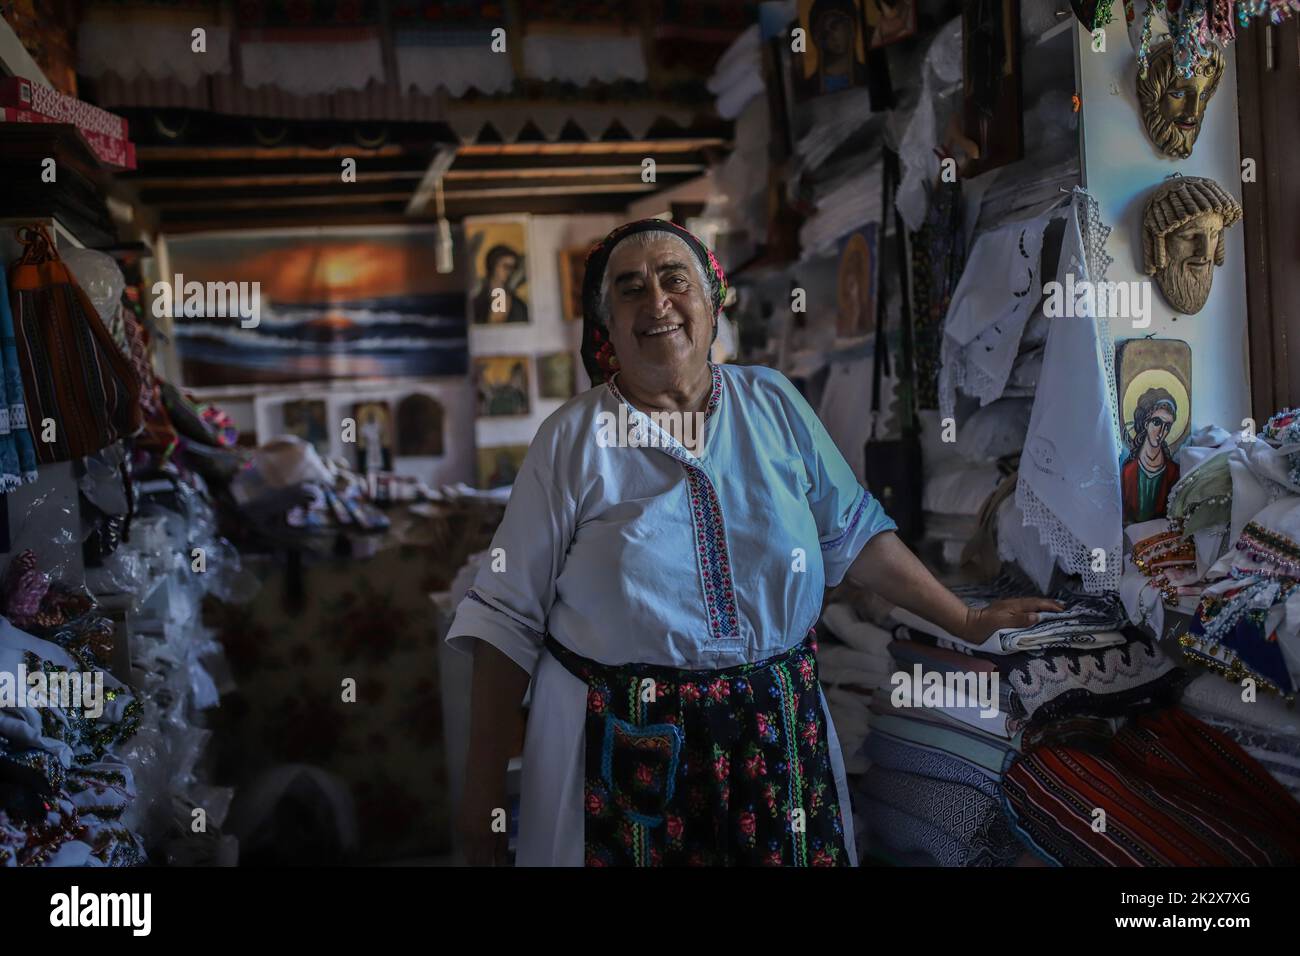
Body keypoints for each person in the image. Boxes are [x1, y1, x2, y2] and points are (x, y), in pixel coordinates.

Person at [445, 219, 1059, 867]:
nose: (656, 301)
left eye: (674, 280)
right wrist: (480, 798)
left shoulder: (774, 403)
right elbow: (505, 620)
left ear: (712, 305)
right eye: (629, 290)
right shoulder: (573, 441)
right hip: (623, 744)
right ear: (608, 326)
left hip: (777, 734)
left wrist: (966, 617)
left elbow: (853, 533)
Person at [1121, 387, 1181, 523]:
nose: (1161, 432)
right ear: (1145, 422)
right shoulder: (1127, 471)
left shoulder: (1173, 472)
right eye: (1157, 422)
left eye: (1167, 426)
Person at [473, 244, 528, 324]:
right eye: (506, 266)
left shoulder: (517, 304)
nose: (510, 272)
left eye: (513, 267)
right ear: (493, 266)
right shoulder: (478, 293)